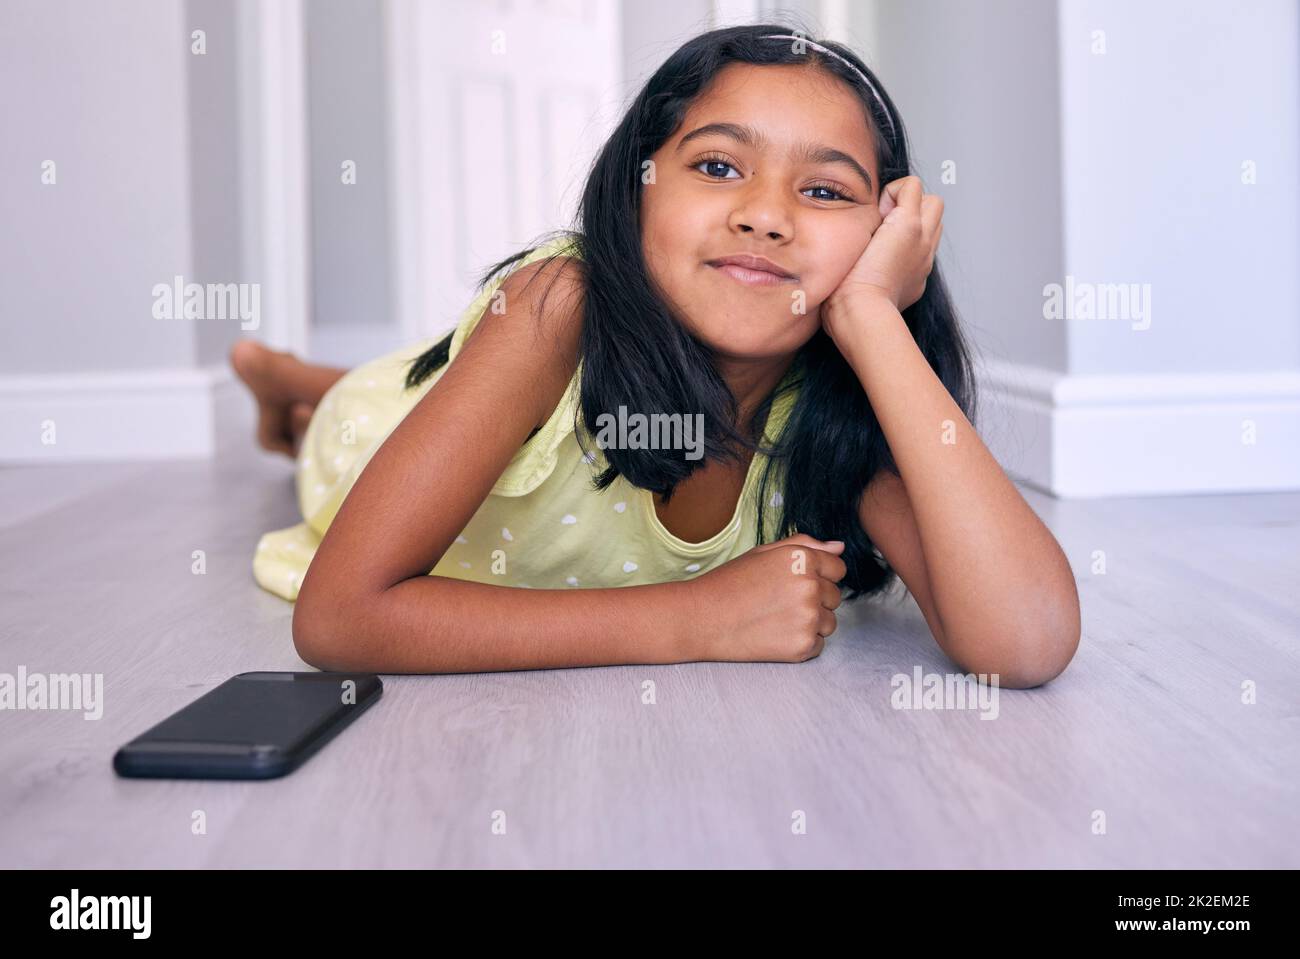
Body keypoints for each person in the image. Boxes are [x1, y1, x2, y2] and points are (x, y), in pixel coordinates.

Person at [231, 23, 1080, 685]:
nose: (765, 215)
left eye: (825, 191)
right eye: (717, 165)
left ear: (885, 232)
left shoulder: (835, 401)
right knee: (365, 406)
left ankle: (297, 385)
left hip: (487, 408)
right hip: (375, 435)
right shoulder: (558, 303)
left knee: (436, 381)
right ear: (635, 189)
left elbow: (1028, 639)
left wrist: (873, 321)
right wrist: (693, 619)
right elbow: (340, 617)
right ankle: (304, 390)